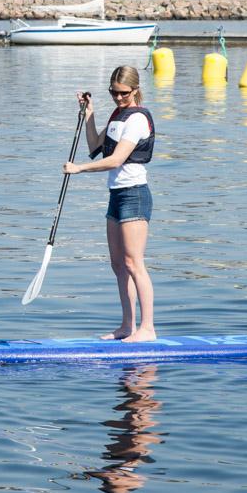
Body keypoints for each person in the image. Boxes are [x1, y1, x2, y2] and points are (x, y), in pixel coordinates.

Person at [63, 65, 156, 341]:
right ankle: (128, 326)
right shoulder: (118, 115)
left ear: (135, 90)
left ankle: (147, 328)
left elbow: (116, 160)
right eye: (113, 93)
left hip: (134, 194)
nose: (117, 98)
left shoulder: (138, 119)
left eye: (123, 93)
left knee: (133, 262)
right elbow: (94, 147)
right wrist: (88, 114)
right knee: (118, 264)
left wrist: (78, 169)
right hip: (116, 195)